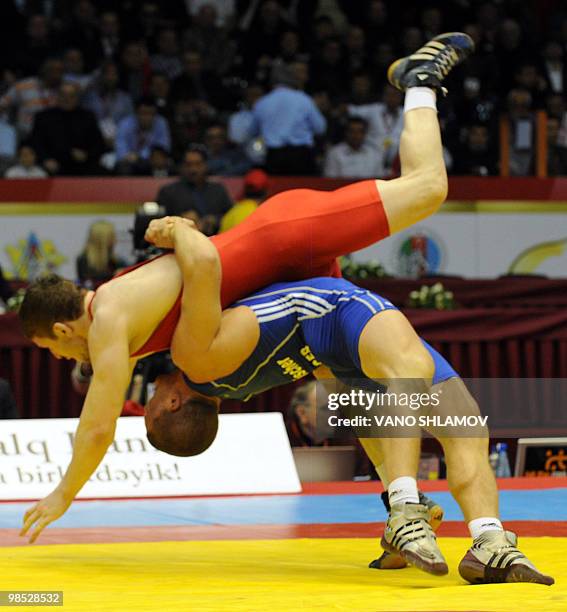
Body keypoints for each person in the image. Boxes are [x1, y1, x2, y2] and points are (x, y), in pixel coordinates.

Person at [18, 31, 469, 545]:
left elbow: (97, 426)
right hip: (283, 274)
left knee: (428, 187)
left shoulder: (110, 319)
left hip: (285, 235)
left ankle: (417, 82)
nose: (59, 358)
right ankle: (399, 498)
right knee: (339, 372)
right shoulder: (118, 313)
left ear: (59, 326)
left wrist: (63, 494)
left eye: (50, 349)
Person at [139, 218, 552, 586]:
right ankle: (417, 516)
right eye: (150, 409)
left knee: (461, 421)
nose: (150, 393)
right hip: (335, 312)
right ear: (174, 403)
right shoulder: (194, 359)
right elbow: (204, 265)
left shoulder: (235, 386)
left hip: (330, 351)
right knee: (415, 376)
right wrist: (178, 231)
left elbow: (325, 376)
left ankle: (478, 538)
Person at [249, 62, 326, 175]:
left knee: (277, 191)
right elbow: (320, 128)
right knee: (302, 191)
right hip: (301, 157)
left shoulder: (262, 103)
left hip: (274, 157)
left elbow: (252, 132)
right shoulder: (304, 99)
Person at [30, 82, 105, 176]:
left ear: (77, 98)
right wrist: (45, 159)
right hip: (53, 164)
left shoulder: (87, 117)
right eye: (63, 95)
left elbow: (98, 143)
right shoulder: (43, 117)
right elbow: (36, 143)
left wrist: (87, 155)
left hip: (83, 164)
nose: (67, 99)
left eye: (71, 96)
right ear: (57, 96)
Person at [156, 146, 233, 235]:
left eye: (198, 164)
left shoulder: (218, 190)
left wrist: (215, 220)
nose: (193, 169)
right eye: (188, 165)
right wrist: (180, 220)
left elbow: (231, 215)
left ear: (206, 165)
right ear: (182, 167)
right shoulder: (168, 191)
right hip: (179, 241)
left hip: (216, 240)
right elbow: (158, 222)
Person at [114, 97, 171, 175]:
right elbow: (120, 153)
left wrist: (139, 157)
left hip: (151, 163)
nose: (147, 117)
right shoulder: (125, 124)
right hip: (129, 163)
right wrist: (131, 157)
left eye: (151, 114)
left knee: (161, 164)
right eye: (143, 113)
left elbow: (163, 148)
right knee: (123, 167)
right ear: (136, 113)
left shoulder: (161, 123)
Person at [76, 220, 125, 285]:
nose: (115, 240)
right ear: (104, 239)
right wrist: (114, 274)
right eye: (112, 236)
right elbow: (88, 280)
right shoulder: (83, 260)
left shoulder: (115, 260)